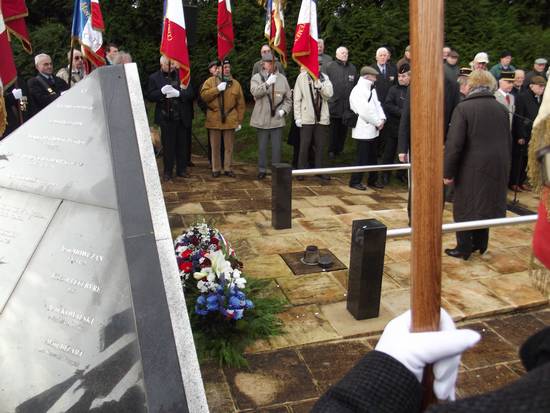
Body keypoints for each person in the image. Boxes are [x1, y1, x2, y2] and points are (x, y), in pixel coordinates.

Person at [444, 70, 511, 260]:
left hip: (471, 166)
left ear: (470, 85)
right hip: (497, 165)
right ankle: (480, 243)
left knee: (465, 207)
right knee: (485, 204)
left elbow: (454, 144)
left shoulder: (464, 108)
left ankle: (463, 247)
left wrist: (448, 172)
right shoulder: (501, 108)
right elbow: (508, 139)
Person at [147, 56, 194, 182]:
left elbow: (190, 93)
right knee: (168, 146)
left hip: (181, 116)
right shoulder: (154, 77)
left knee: (182, 145)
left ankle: (182, 170)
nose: (171, 67)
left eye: (173, 64)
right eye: (168, 65)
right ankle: (168, 172)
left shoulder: (183, 76)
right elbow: (150, 96)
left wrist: (179, 94)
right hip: (166, 117)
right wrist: (161, 92)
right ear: (161, 64)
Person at [250, 53, 292, 179]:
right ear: (263, 64)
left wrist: (284, 110)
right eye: (268, 62)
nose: (271, 64)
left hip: (277, 119)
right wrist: (267, 83)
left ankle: (276, 170)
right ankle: (262, 169)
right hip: (262, 118)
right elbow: (255, 92)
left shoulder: (282, 79)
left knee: (277, 148)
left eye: (273, 62)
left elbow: (288, 99)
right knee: (262, 147)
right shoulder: (256, 77)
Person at [201, 58, 245, 178]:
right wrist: (217, 89)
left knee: (228, 146)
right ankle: (216, 169)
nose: (227, 69)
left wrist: (239, 121)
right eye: (224, 67)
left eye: (228, 67)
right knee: (215, 146)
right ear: (219, 69)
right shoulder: (210, 81)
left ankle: (228, 168)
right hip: (214, 117)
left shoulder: (235, 84)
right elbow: (204, 96)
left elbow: (240, 104)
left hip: (230, 117)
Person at [348, 66, 386, 191]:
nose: (375, 78)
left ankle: (372, 180)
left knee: (373, 157)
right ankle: (355, 181)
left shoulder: (371, 89)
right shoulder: (358, 90)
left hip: (373, 128)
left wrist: (382, 118)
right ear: (367, 76)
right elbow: (365, 111)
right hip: (363, 128)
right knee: (361, 157)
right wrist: (378, 122)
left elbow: (377, 105)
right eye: (374, 76)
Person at [293, 66, 333, 181]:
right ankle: (301, 171)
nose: (317, 66)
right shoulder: (302, 77)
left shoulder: (324, 77)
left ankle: (320, 171)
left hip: (322, 117)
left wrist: (320, 87)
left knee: (320, 146)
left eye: (319, 64)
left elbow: (329, 95)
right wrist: (297, 117)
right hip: (306, 117)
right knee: (304, 145)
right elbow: (297, 98)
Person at [510, 75, 546, 191]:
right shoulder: (522, 97)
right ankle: (514, 182)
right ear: (531, 86)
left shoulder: (540, 98)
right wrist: (520, 135)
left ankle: (522, 181)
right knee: (519, 159)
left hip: (534, 133)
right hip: (523, 133)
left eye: (543, 87)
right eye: (540, 86)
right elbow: (518, 117)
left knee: (527, 158)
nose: (542, 89)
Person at [380, 64, 410, 185]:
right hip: (394, 126)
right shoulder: (393, 90)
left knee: (405, 151)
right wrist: (402, 113)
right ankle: (385, 174)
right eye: (399, 76)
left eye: (403, 76)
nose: (401, 78)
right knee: (389, 152)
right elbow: (388, 105)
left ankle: (401, 174)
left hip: (407, 128)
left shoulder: (412, 89)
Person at [325, 46, 357, 158]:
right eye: (342, 53)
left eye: (346, 53)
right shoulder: (330, 66)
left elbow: (354, 85)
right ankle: (331, 150)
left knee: (343, 129)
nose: (345, 55)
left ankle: (339, 149)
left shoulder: (352, 68)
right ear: (337, 54)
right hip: (334, 104)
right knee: (333, 129)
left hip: (347, 105)